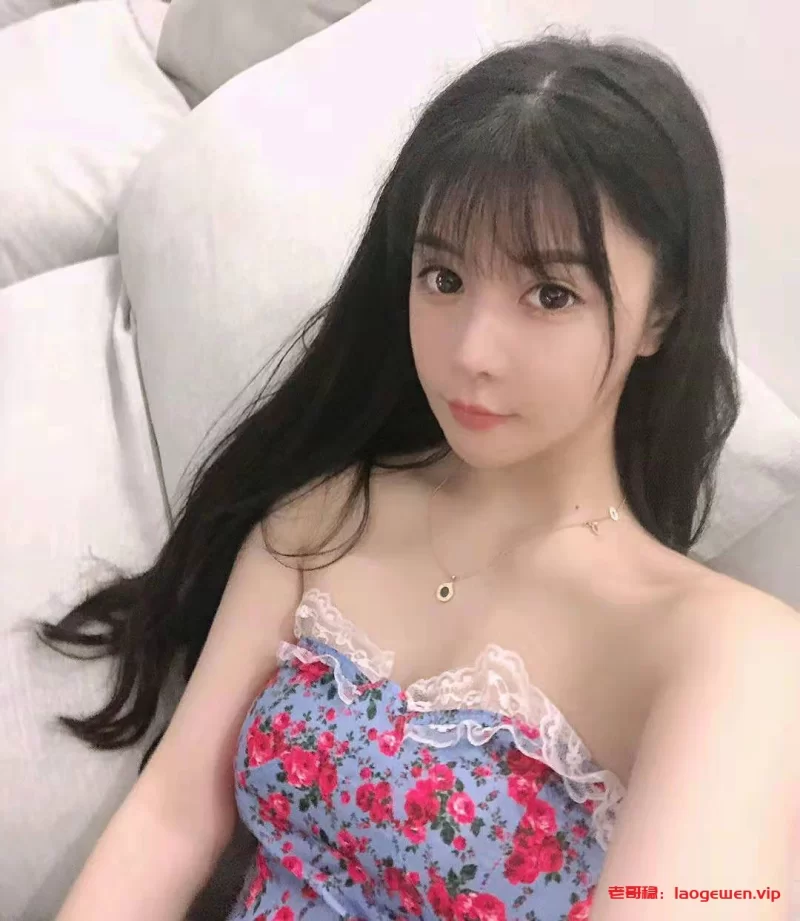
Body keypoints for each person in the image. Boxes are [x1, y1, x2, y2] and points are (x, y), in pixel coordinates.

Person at [36, 33, 800, 921]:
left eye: (550, 294)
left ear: (661, 311)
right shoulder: (323, 517)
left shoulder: (730, 654)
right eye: (443, 277)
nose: (472, 351)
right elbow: (171, 822)